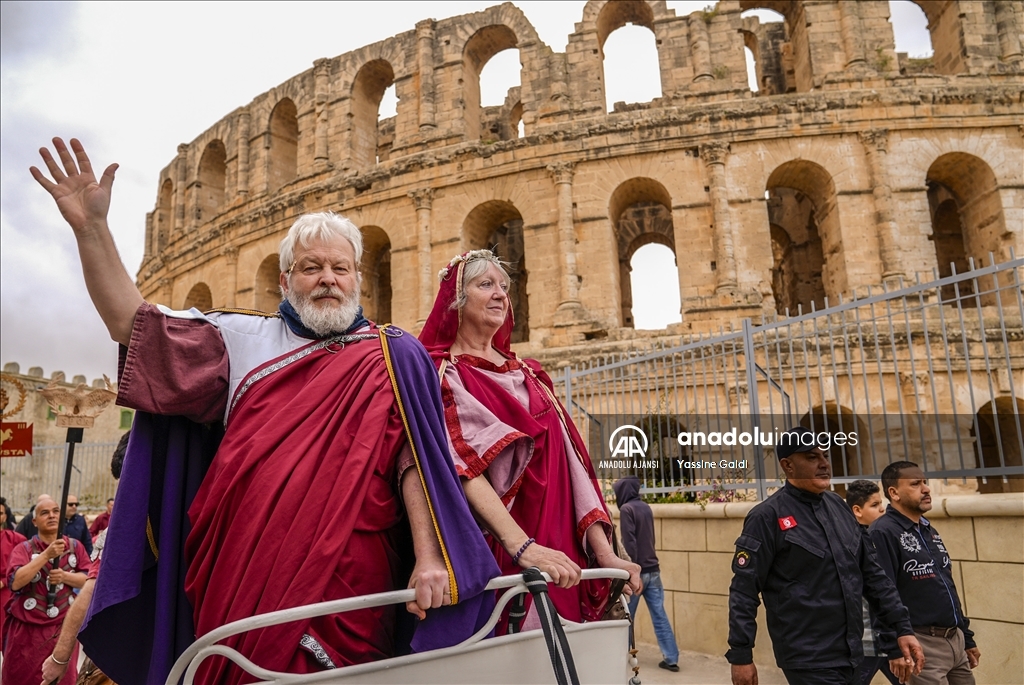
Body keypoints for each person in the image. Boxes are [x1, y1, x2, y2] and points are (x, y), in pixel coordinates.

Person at [31, 138, 499, 684]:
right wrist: (92, 230)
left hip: (352, 586)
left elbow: (413, 463)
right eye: (311, 267)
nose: (328, 278)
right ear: (284, 281)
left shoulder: (394, 355)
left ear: (358, 278)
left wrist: (430, 556)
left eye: (341, 268)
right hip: (241, 574)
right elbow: (133, 326)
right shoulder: (239, 339)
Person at [418, 250, 640, 634]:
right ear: (455, 299)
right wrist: (523, 548)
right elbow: (460, 469)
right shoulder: (440, 376)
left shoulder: (530, 375)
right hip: (496, 555)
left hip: (561, 555)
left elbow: (574, 470)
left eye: (504, 287)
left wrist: (605, 554)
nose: (501, 295)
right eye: (485, 284)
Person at [726, 427, 924, 685]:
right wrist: (741, 655)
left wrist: (902, 628)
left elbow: (874, 575)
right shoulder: (767, 517)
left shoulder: (839, 507)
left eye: (825, 456)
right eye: (811, 457)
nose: (823, 464)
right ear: (788, 466)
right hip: (807, 658)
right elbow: (744, 591)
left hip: (852, 654)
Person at [870, 462, 981, 685]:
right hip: (920, 643)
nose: (926, 488)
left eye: (924, 482)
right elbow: (880, 593)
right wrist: (894, 646)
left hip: (954, 640)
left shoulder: (928, 529)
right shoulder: (883, 532)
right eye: (915, 484)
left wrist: (966, 637)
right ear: (894, 493)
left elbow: (946, 586)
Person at [2, 496, 91, 685]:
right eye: (44, 513)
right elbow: (15, 582)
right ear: (34, 521)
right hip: (27, 632)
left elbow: (89, 579)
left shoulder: (76, 547)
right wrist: (46, 555)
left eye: (55, 512)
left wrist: (65, 577)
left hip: (62, 629)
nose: (51, 516)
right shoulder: (23, 549)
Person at [613, 476, 680, 672]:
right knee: (660, 615)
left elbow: (630, 543)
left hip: (638, 573)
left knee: (625, 616)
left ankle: (618, 655)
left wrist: (633, 571)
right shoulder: (645, 507)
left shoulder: (627, 510)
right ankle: (671, 658)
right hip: (654, 570)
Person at [845, 480, 900, 685]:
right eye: (875, 505)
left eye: (881, 503)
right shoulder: (852, 543)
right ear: (857, 510)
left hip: (889, 636)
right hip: (867, 640)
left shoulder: (881, 536)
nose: (882, 508)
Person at [0, 505, 27, 654]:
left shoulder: (16, 539)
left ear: (5, 516)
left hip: (7, 592)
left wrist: (4, 581)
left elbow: (22, 567)